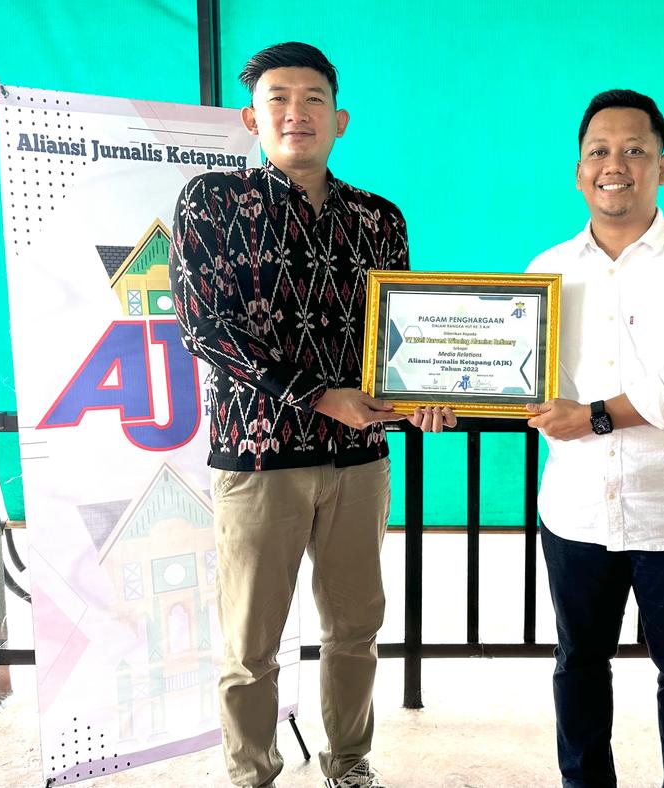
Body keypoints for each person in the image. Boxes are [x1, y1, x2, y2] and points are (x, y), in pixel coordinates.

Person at [169, 42, 453, 788]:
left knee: (355, 629)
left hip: (360, 460)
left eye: (313, 99)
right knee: (250, 645)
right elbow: (203, 328)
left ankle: (350, 764)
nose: (296, 113)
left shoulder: (379, 218)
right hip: (259, 456)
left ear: (340, 118)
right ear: (251, 118)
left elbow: (401, 335)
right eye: (278, 99)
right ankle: (252, 775)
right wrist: (323, 396)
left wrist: (425, 393)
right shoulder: (212, 201)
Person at [525, 89, 664, 788]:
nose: (614, 165)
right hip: (577, 511)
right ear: (579, 171)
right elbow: (520, 378)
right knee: (578, 665)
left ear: (662, 167)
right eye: (599, 151)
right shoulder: (544, 271)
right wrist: (447, 396)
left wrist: (595, 416)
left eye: (633, 150)